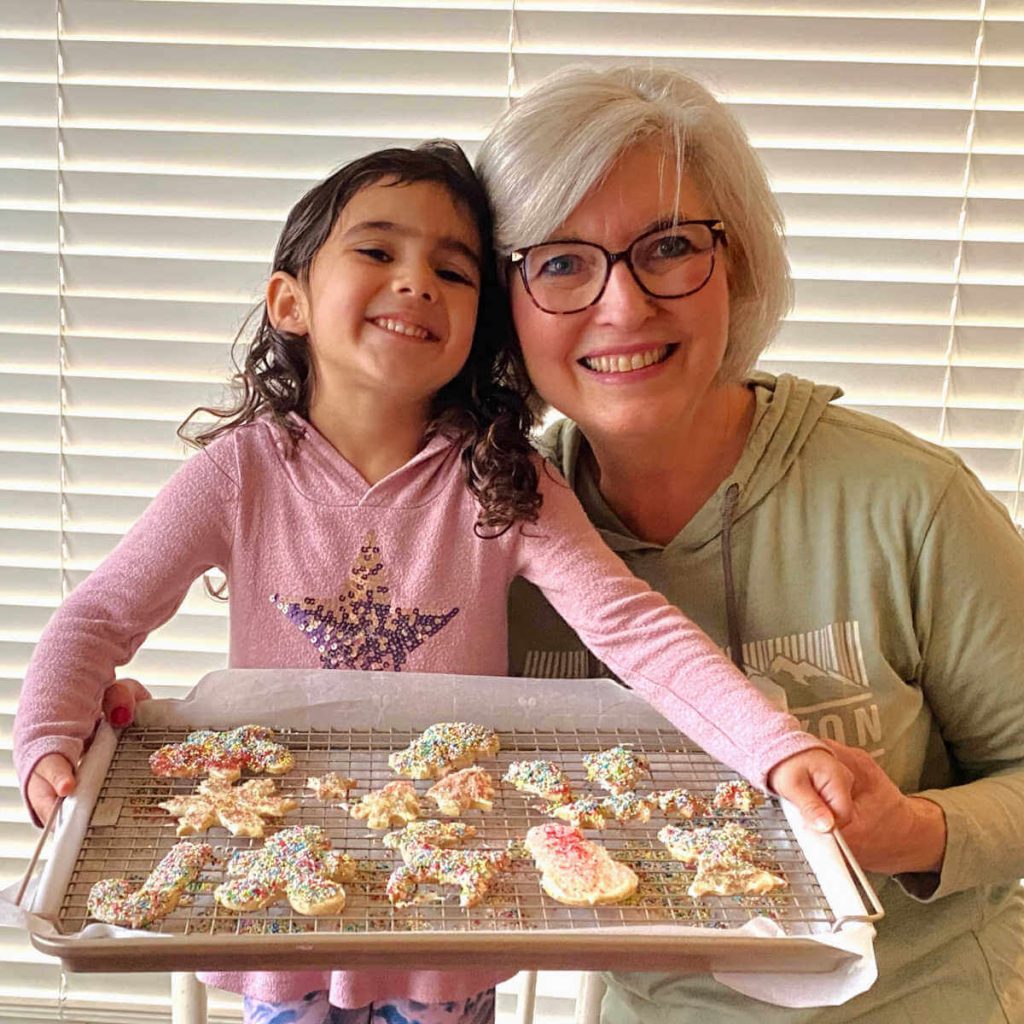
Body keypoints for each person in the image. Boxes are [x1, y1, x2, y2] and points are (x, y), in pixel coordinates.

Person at [14, 141, 852, 1024]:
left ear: (478, 325)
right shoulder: (238, 475)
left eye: (453, 271)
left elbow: (634, 628)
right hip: (281, 890)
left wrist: (776, 746)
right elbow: (99, 616)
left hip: (453, 896)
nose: (416, 282)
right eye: (377, 252)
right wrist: (47, 739)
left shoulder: (505, 480)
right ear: (288, 301)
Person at [477, 64, 1024, 1022]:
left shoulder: (911, 503)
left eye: (671, 246)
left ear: (740, 265)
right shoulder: (490, 535)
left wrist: (915, 832)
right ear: (503, 305)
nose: (623, 305)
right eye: (560, 261)